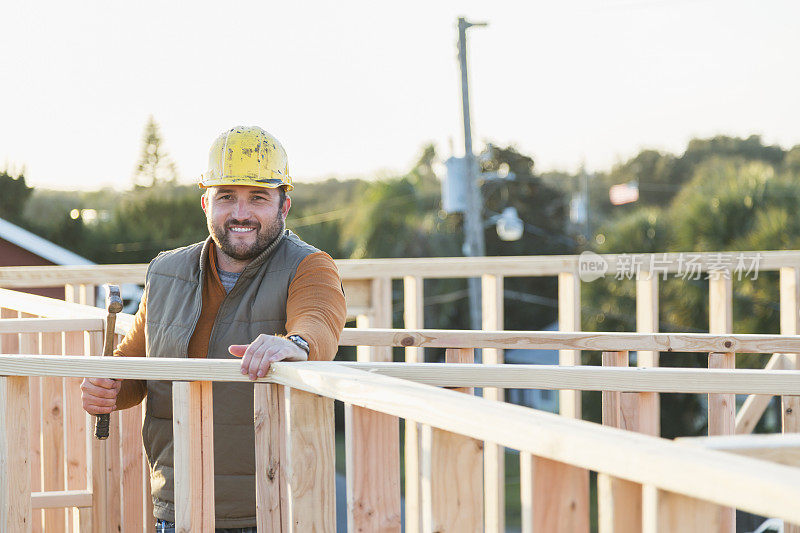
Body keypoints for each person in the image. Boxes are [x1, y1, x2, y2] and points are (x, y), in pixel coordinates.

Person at [80, 126, 347, 532]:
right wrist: (108, 386)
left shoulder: (309, 266)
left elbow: (319, 321)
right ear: (206, 203)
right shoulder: (166, 271)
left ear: (284, 206)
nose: (241, 213)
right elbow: (136, 366)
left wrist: (293, 345)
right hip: (178, 504)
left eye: (258, 197)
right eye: (226, 197)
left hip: (272, 509)